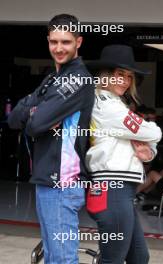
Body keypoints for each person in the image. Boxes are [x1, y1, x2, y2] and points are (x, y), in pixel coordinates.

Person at [8, 14, 95, 264]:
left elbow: (34, 125)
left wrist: (35, 114)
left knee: (61, 260)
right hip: (48, 182)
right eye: (53, 41)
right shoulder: (52, 78)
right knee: (52, 258)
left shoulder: (77, 78)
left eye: (66, 42)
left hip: (62, 184)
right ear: (48, 41)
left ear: (78, 41)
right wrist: (35, 113)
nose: (59, 48)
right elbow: (15, 117)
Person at [85, 45, 162, 264]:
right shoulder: (105, 104)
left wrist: (148, 153)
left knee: (139, 257)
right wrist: (153, 133)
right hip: (112, 188)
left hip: (122, 191)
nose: (126, 81)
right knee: (113, 259)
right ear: (106, 75)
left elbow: (145, 146)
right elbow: (151, 131)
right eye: (120, 74)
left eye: (129, 77)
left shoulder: (117, 104)